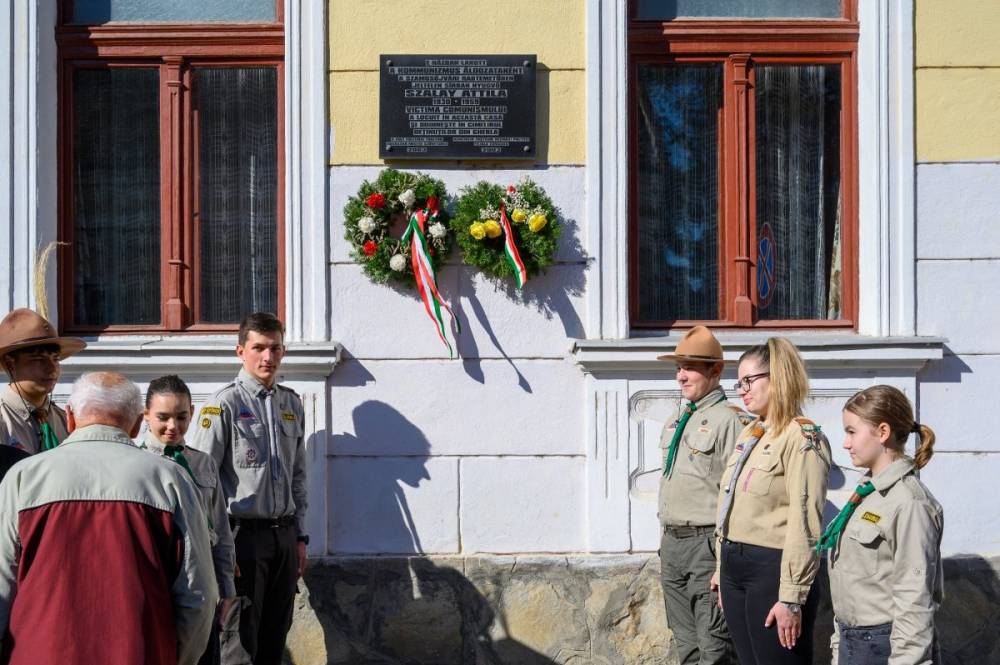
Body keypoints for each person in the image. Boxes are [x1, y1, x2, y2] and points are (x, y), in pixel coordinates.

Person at [0, 371, 217, 665]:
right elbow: (198, 596)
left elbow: (3, 584)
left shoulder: (23, 478)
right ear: (138, 424)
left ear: (70, 417)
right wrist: (176, 656)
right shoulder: (170, 480)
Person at [190, 312, 308, 665]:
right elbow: (202, 482)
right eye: (258, 348)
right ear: (240, 350)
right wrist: (217, 548)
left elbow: (299, 476)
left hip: (284, 537)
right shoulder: (223, 404)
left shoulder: (291, 404)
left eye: (274, 348)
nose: (267, 357)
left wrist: (300, 537)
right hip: (242, 538)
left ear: (283, 352)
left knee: (276, 632)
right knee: (239, 640)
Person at [713, 337, 832, 665]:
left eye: (749, 380)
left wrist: (792, 598)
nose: (741, 390)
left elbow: (805, 522)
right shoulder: (752, 433)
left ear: (778, 377)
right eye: (739, 382)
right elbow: (729, 506)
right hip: (735, 565)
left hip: (772, 570)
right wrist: (722, 568)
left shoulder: (803, 438)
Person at [818, 385, 943, 665]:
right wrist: (840, 645)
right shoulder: (867, 494)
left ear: (883, 432)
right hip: (855, 643)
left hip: (887, 647)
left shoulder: (909, 502)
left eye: (851, 432)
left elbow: (915, 598)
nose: (845, 443)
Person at [655, 326, 749, 665]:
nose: (680, 376)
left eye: (690, 367)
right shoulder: (679, 417)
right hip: (673, 545)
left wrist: (724, 560)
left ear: (716, 370)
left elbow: (740, 496)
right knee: (686, 645)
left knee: (714, 647)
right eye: (678, 367)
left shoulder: (731, 422)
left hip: (707, 545)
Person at [141, 375, 237, 665]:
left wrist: (227, 590)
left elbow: (219, 529)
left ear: (192, 413)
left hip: (202, 585)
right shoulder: (137, 462)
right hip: (159, 582)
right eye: (163, 417)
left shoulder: (202, 462)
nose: (173, 426)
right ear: (145, 416)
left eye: (182, 417)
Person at [0, 308, 86, 452]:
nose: (52, 368)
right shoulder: (3, 422)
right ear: (10, 364)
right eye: (38, 359)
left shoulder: (67, 421)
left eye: (55, 359)